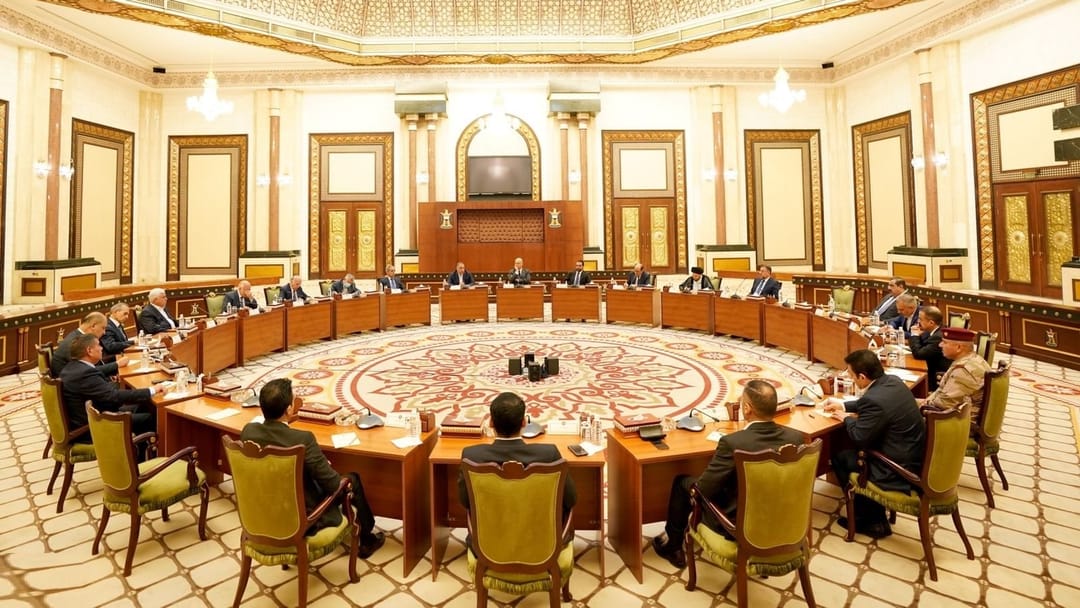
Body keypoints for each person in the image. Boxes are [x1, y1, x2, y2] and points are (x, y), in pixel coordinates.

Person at [651, 380, 803, 569]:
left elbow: (704, 490)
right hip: (784, 523)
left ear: (747, 409)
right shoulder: (795, 438)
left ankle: (672, 546)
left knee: (683, 482)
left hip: (739, 528)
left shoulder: (733, 443)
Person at [240, 378, 385, 558]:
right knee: (351, 479)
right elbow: (333, 485)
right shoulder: (303, 439)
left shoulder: (249, 431)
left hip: (262, 512)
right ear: (289, 409)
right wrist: (321, 466)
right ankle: (367, 539)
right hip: (301, 518)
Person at [824, 349, 925, 539]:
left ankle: (870, 521)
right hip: (912, 454)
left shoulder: (874, 400)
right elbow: (870, 403)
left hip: (896, 469)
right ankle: (871, 513)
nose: (850, 378)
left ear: (862, 377)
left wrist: (846, 418)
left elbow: (858, 436)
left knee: (841, 457)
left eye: (851, 374)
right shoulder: (893, 381)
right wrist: (843, 405)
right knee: (851, 453)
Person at [458, 392, 576, 548]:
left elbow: (465, 501)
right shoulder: (549, 454)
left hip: (489, 545)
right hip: (542, 545)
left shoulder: (471, 456)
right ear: (524, 423)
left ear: (491, 422)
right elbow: (571, 499)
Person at [59, 333, 158, 440]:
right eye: (98, 345)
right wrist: (151, 390)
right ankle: (140, 449)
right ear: (89, 350)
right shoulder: (84, 373)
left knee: (143, 405)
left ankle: (140, 445)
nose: (101, 348)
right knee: (149, 418)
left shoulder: (72, 367)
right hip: (91, 428)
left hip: (91, 415)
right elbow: (113, 396)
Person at [921, 327, 992, 419]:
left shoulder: (963, 370)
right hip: (959, 413)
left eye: (944, 342)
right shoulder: (972, 358)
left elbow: (943, 404)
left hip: (958, 421)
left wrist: (922, 404)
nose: (940, 345)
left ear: (958, 347)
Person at [52, 312, 129, 376]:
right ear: (93, 326)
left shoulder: (81, 337)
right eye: (103, 328)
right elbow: (86, 371)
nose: (104, 332)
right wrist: (117, 364)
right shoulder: (76, 343)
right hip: (75, 385)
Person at [908, 306, 948, 391]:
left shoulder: (938, 337)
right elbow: (921, 344)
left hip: (935, 378)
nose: (918, 322)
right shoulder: (934, 330)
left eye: (920, 319)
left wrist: (914, 335)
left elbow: (919, 354)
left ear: (931, 323)